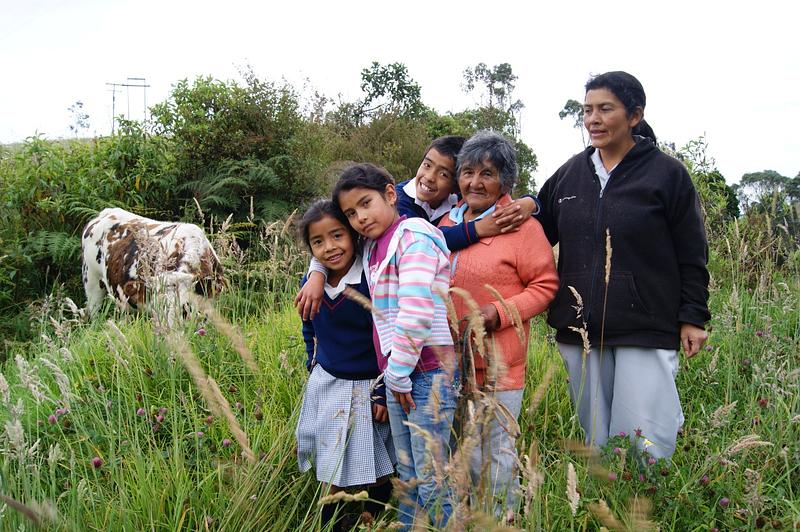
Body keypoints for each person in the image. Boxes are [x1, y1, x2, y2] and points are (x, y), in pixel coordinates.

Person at [536, 71, 710, 459]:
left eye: (605, 109)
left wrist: (693, 316)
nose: (593, 119)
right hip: (579, 329)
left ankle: (645, 506)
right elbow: (534, 233)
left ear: (634, 115)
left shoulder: (667, 175)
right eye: (587, 110)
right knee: (594, 438)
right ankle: (602, 505)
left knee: (643, 436)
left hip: (645, 325)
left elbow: (692, 252)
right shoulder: (568, 174)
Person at [439, 130, 558, 517]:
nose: (475, 182)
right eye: (468, 171)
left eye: (487, 173)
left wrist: (498, 312)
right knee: (455, 451)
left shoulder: (522, 227)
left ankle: (503, 520)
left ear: (506, 181)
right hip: (444, 364)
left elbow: (545, 285)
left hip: (498, 365)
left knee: (495, 455)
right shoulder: (446, 220)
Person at [333, 163, 457, 530]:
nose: (359, 218)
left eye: (366, 204)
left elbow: (417, 311)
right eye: (351, 213)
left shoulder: (414, 238)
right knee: (407, 473)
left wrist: (399, 374)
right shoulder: (372, 245)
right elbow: (323, 236)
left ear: (391, 194)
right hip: (399, 375)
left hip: (427, 371)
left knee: (432, 476)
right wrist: (318, 271)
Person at [295, 135, 538, 320]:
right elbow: (331, 231)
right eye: (427, 165)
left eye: (444, 173)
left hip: (426, 322)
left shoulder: (457, 206)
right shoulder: (397, 202)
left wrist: (530, 202)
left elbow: (496, 190)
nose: (430, 177)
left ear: (456, 184)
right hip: (391, 315)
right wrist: (317, 272)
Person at [294, 200, 395, 530]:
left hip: (368, 385)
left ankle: (373, 516)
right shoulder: (311, 285)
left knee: (378, 455)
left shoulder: (371, 279)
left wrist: (382, 392)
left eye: (337, 235)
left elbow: (385, 335)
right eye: (318, 242)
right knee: (331, 457)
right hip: (329, 383)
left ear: (353, 235)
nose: (329, 247)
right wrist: (312, 363)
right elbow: (309, 326)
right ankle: (330, 520)